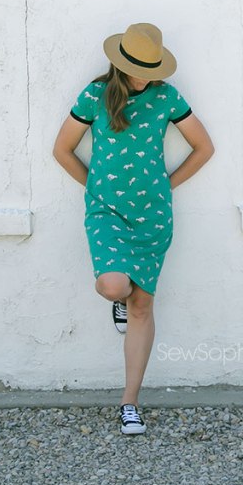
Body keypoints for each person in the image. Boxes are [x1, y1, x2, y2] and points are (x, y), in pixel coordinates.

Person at [52, 22, 214, 435]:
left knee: (143, 305)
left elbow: (204, 147)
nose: (145, 77)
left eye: (151, 69)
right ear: (120, 64)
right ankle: (119, 300)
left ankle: (130, 403)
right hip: (107, 212)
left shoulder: (167, 97)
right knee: (113, 285)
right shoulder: (95, 96)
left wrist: (167, 186)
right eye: (139, 69)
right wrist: (95, 187)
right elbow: (62, 149)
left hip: (152, 215)